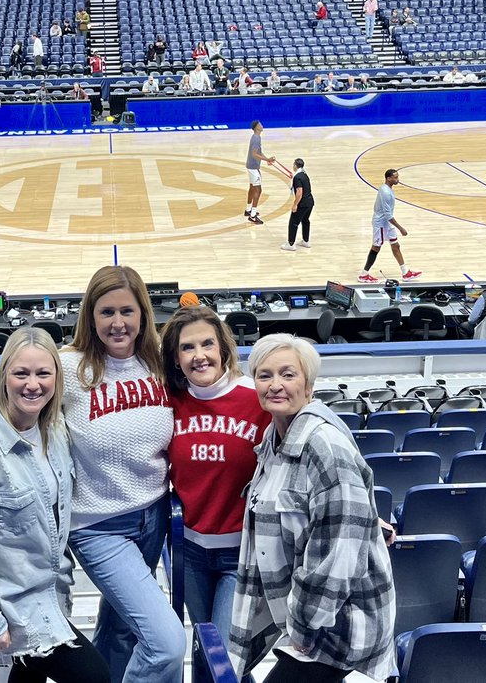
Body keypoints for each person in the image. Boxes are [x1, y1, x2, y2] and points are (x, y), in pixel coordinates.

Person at [0, 328, 109, 683]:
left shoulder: (55, 430)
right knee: (94, 677)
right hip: (11, 609)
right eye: (22, 373)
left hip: (52, 595)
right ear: (4, 376)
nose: (33, 385)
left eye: (43, 373)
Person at [229, 334, 396, 683]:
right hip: (310, 625)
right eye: (264, 375)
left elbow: (339, 554)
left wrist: (303, 630)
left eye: (288, 374)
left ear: (309, 384)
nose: (275, 385)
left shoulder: (325, 447)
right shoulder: (271, 444)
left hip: (337, 632)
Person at [61, 266, 186, 683]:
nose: (118, 323)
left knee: (120, 629)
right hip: (98, 526)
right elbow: (11, 405)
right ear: (90, 317)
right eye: (106, 312)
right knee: (167, 643)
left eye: (127, 312)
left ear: (143, 314)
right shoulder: (67, 368)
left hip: (154, 519)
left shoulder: (161, 363)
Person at [162, 306, 269, 647]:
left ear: (223, 348)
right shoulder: (170, 402)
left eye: (207, 344)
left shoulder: (258, 398)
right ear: (176, 359)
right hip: (189, 550)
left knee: (223, 652)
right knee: (206, 648)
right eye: (187, 348)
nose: (199, 356)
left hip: (242, 555)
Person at [360, 168, 421, 282]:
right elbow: (388, 215)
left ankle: (405, 272)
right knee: (376, 247)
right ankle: (363, 275)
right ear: (388, 178)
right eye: (395, 177)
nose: (397, 179)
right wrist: (401, 228)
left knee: (395, 245)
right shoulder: (386, 192)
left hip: (386, 223)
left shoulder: (388, 189)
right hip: (381, 223)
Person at [281, 158, 314, 251]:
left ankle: (291, 244)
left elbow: (299, 192)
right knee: (305, 220)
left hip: (302, 204)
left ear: (295, 165)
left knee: (293, 223)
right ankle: (306, 241)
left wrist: (295, 204)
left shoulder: (297, 177)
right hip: (310, 202)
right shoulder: (304, 174)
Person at [245, 120, 273, 226]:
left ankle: (248, 209)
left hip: (251, 166)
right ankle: (252, 215)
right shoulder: (256, 138)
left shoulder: (256, 137)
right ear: (257, 127)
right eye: (260, 124)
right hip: (253, 167)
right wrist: (267, 159)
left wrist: (267, 159)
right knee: (258, 189)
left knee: (252, 188)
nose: (262, 125)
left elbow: (259, 152)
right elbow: (254, 154)